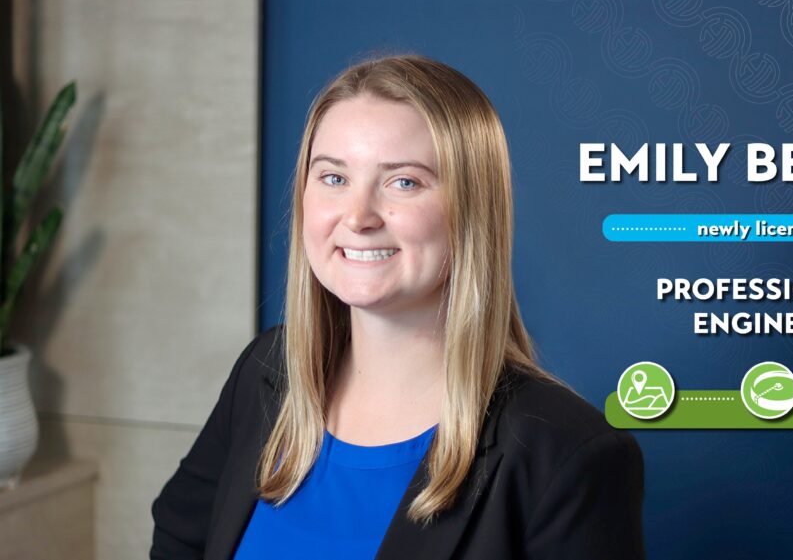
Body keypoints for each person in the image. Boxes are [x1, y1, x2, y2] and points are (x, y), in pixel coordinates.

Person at [150, 54, 645, 560]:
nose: (359, 216)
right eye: (334, 178)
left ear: (472, 212)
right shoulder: (263, 373)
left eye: (403, 182)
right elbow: (178, 543)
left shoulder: (567, 455)